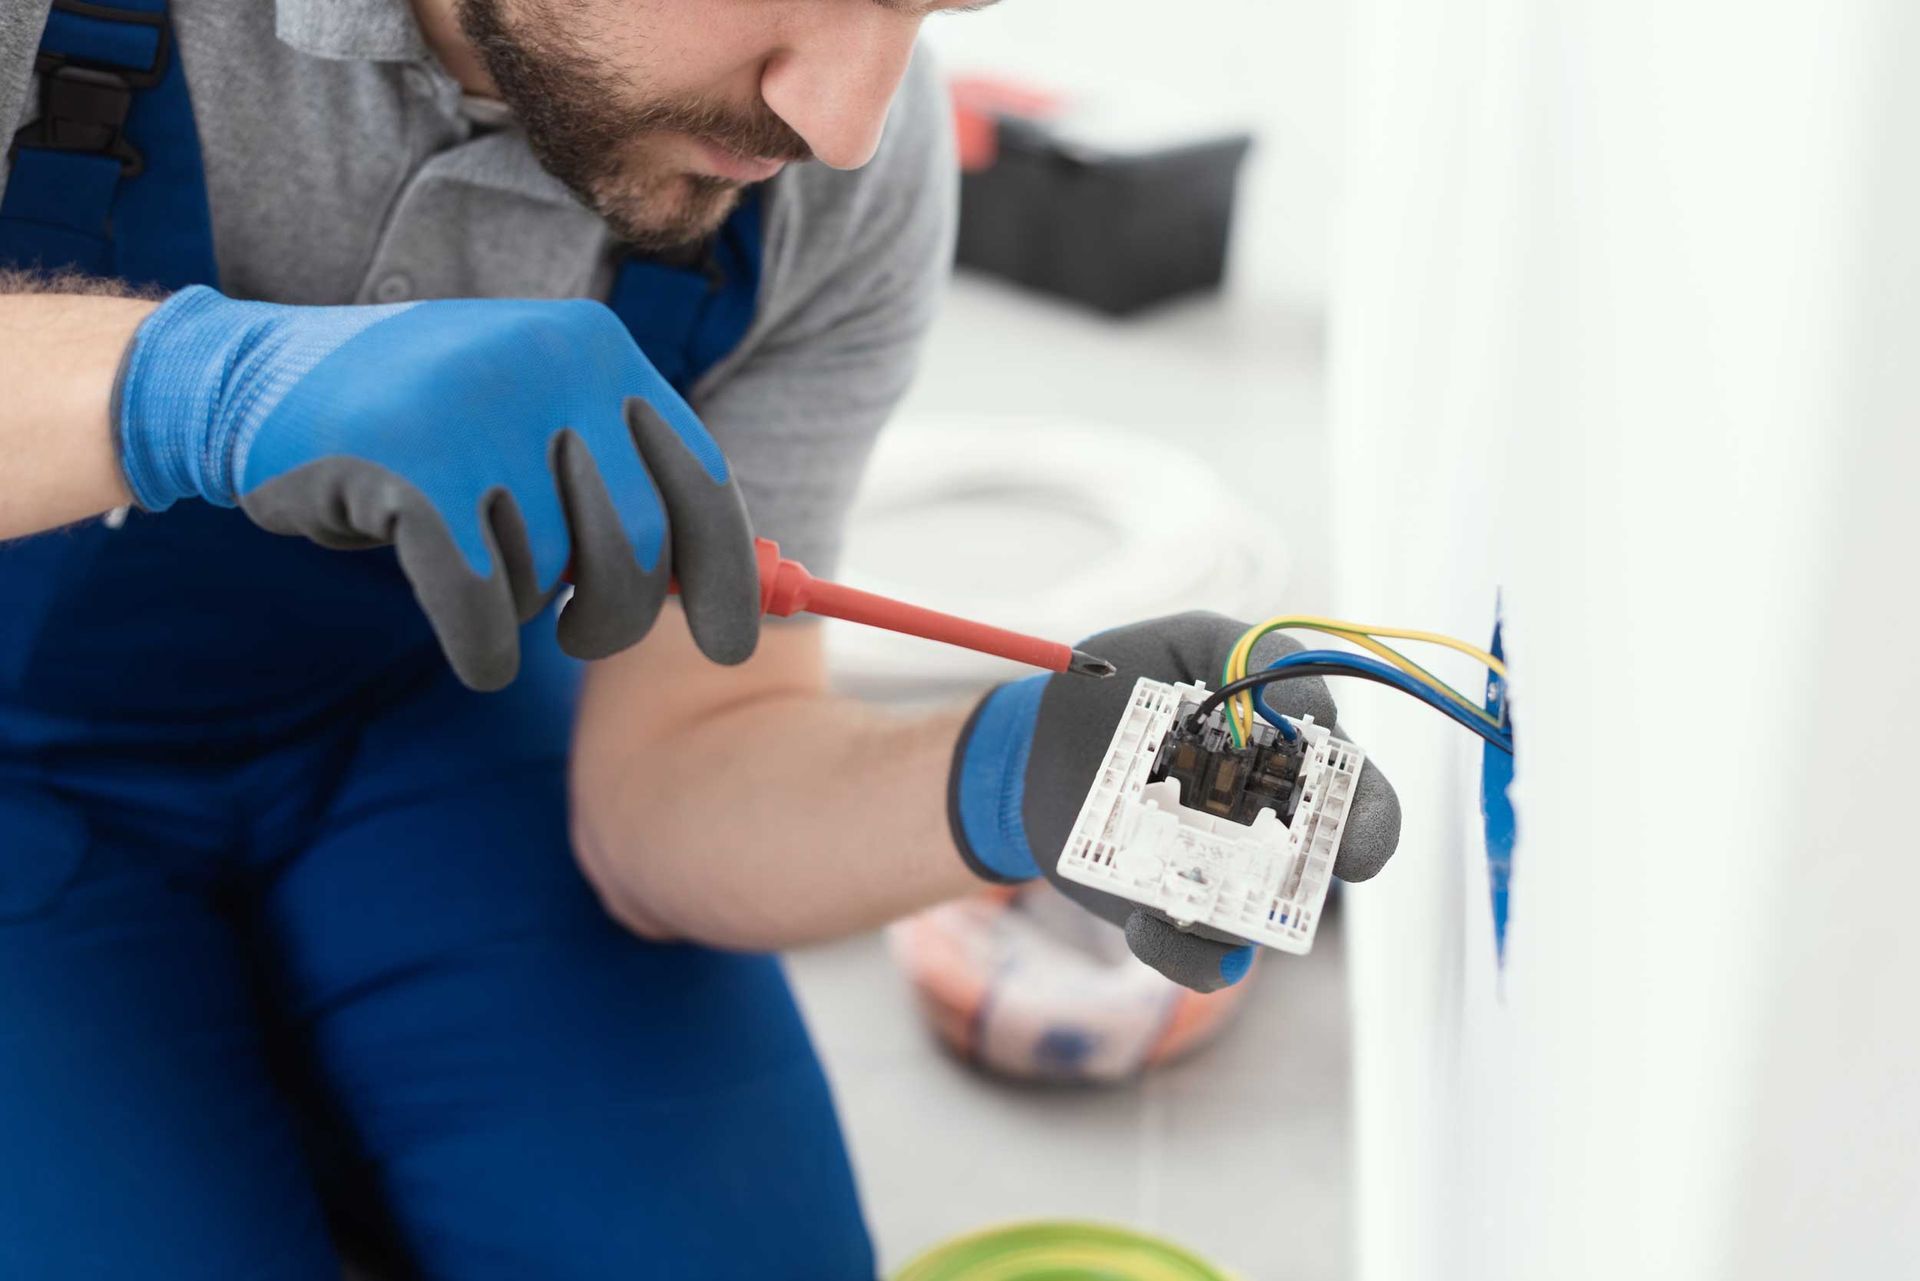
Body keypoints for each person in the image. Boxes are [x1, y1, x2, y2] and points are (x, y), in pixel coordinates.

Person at [0, 0, 1402, 1276]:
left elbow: (677, 779)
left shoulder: (828, 172)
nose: (848, 118)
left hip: (419, 710)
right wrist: (194, 386)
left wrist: (1001, 780)